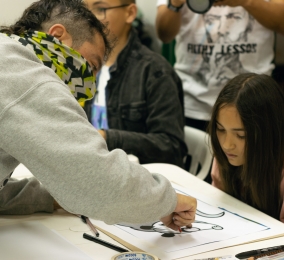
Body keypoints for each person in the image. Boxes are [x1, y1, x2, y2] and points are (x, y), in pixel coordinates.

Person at [0, 0, 196, 231]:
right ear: (58, 36)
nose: (89, 85)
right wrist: (166, 201)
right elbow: (98, 182)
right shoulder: (26, 79)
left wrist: (50, 197)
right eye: (91, 66)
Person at [208, 73, 284, 242]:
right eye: (220, 129)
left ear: (268, 134)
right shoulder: (226, 157)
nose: (227, 144)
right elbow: (221, 213)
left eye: (240, 135)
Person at [156, 0, 284, 131]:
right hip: (192, 101)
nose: (222, 30)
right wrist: (174, 4)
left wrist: (246, 2)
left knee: (256, 155)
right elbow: (164, 35)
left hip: (255, 99)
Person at [83, 0, 187, 167]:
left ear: (130, 13)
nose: (88, 18)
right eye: (83, 10)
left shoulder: (155, 71)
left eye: (100, 9)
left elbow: (171, 148)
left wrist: (107, 137)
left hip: (137, 179)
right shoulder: (80, 64)